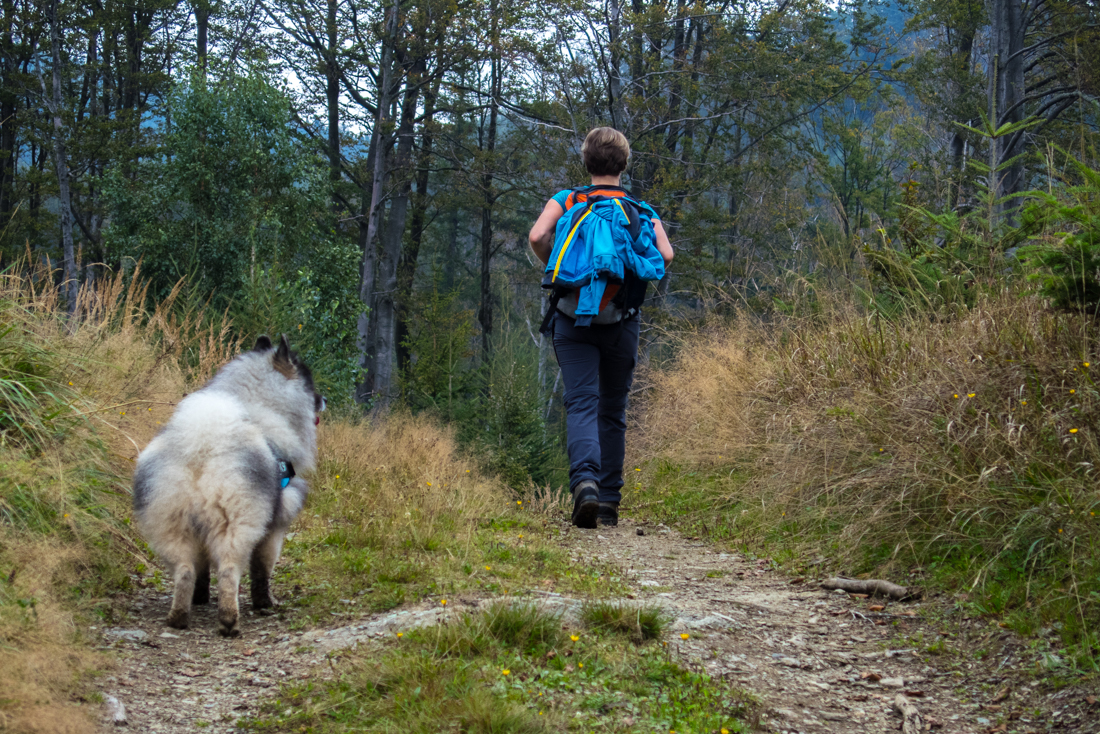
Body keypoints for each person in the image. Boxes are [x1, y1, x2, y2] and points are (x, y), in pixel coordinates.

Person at [528, 127, 674, 528]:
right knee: (613, 409)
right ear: (624, 165)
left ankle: (585, 485)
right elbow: (665, 254)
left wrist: (559, 266)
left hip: (572, 319)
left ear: (586, 161)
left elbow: (538, 234)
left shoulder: (568, 200)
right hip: (621, 322)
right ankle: (608, 501)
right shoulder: (642, 209)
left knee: (581, 402)